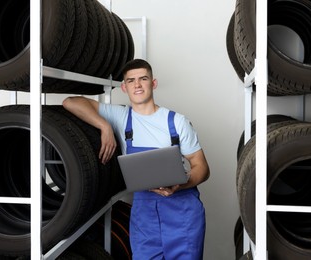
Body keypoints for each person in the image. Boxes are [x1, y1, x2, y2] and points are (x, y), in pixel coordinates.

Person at [63, 59, 210, 259]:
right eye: (131, 81)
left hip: (182, 210)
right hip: (145, 213)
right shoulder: (120, 117)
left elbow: (201, 166)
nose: (137, 85)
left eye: (143, 78)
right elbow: (70, 102)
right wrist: (104, 126)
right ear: (124, 87)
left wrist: (181, 184)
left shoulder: (176, 122)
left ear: (153, 83)